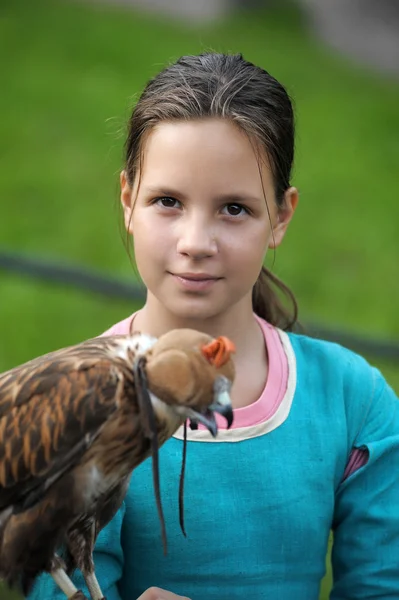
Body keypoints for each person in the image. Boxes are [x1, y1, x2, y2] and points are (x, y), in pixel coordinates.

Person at [29, 52, 399, 600]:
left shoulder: (355, 400)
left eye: (233, 209)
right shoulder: (74, 405)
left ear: (281, 217)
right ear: (128, 200)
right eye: (168, 201)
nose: (196, 242)